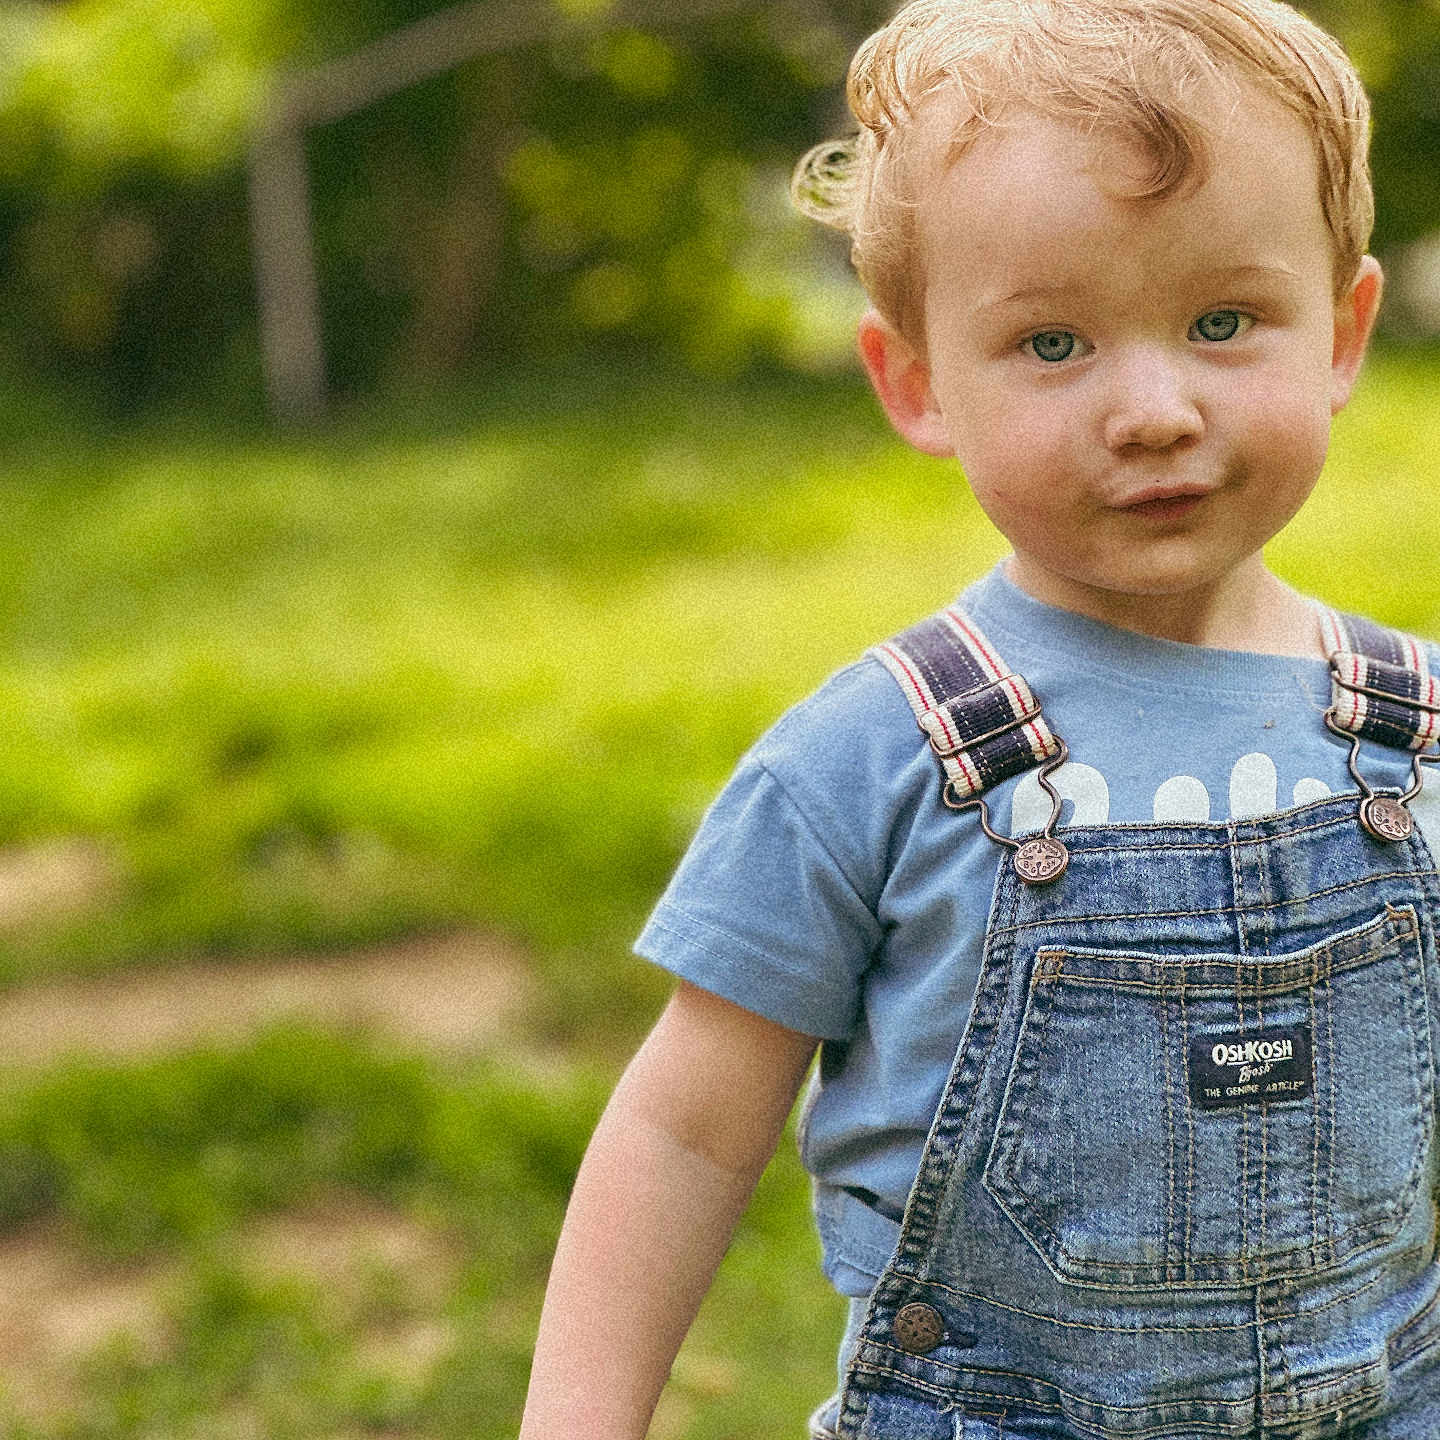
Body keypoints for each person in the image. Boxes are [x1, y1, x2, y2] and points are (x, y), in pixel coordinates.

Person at [519, 1, 1440, 1435]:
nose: (1152, 409)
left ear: (1342, 331)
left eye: (1220, 322)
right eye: (1055, 342)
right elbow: (684, 1131)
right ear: (918, 381)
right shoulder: (878, 757)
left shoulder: (1417, 732)